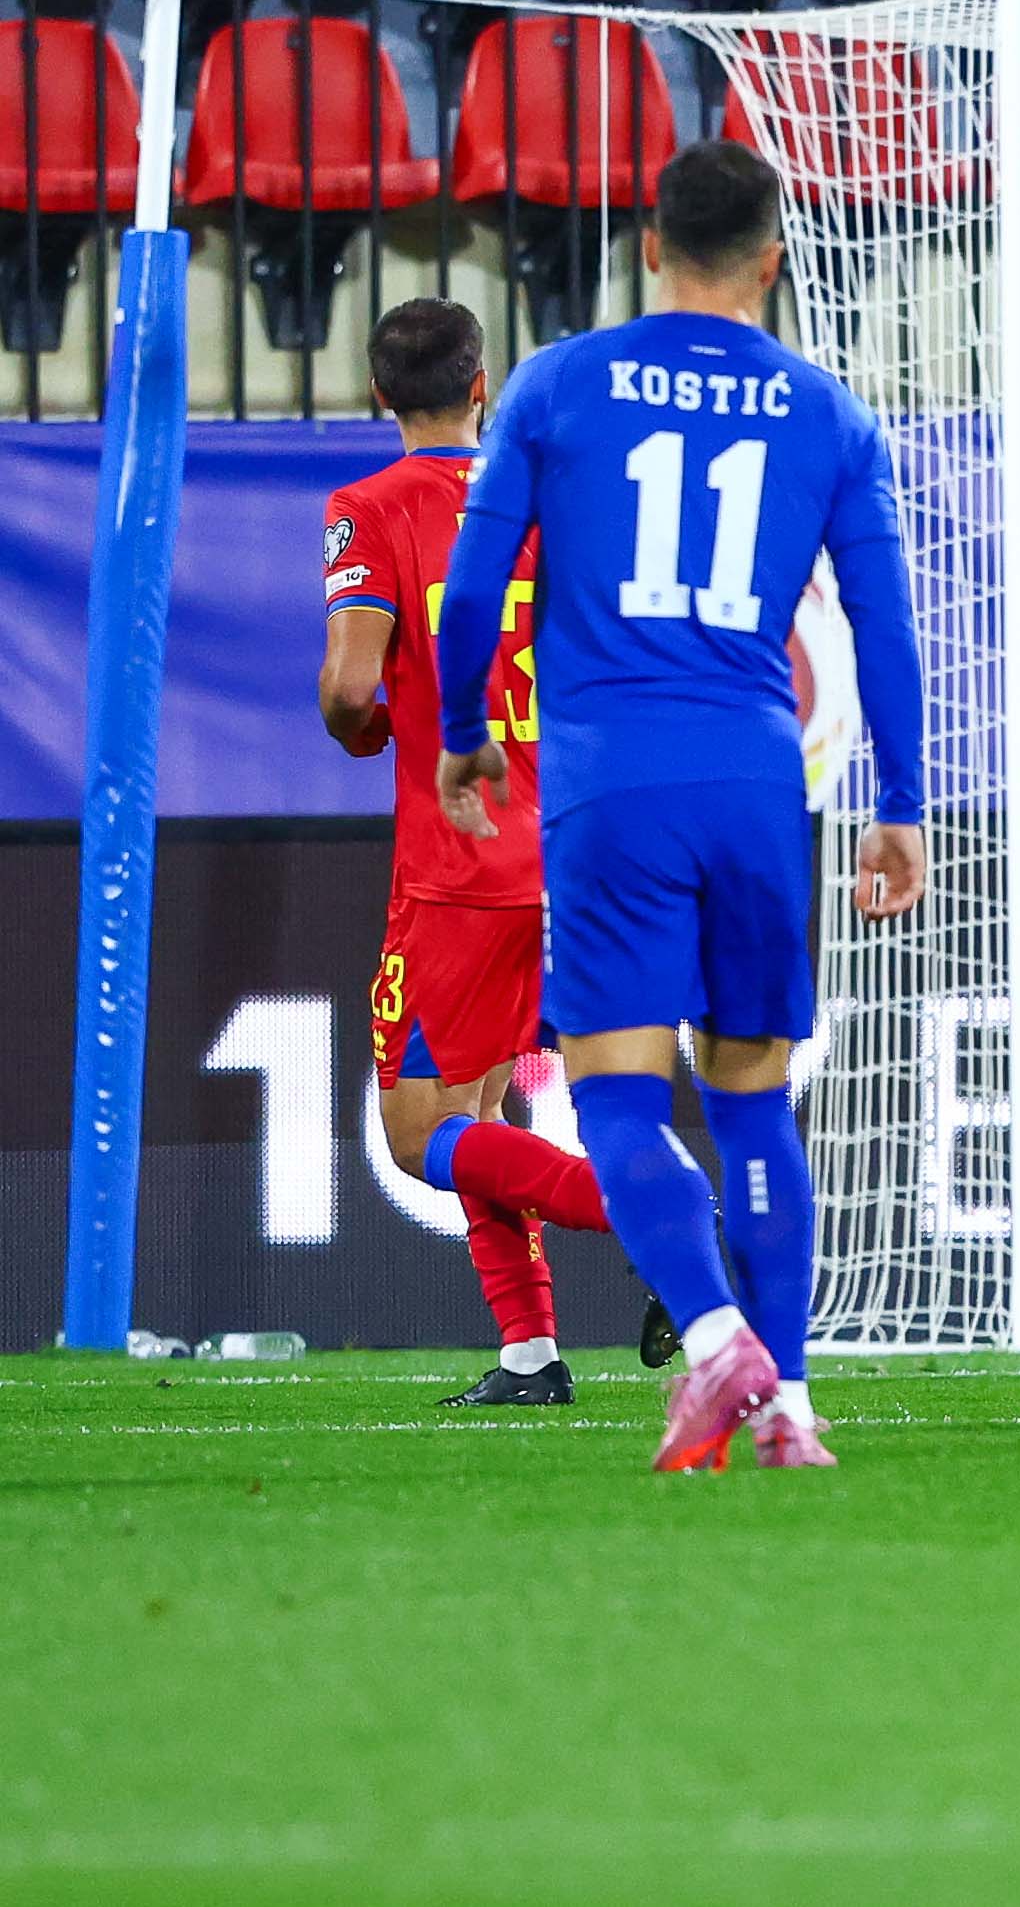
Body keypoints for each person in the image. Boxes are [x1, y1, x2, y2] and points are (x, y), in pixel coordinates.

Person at [435, 143, 929, 1472]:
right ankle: (795, 1408)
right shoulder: (826, 413)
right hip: (760, 786)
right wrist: (903, 799)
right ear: (773, 263)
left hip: (612, 786)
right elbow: (880, 622)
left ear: (648, 246)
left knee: (616, 1101)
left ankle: (718, 1347)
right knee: (757, 1097)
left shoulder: (552, 386)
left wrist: (463, 734)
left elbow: (477, 590)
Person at [320, 297, 640, 1405]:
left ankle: (642, 1206)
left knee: (421, 1133)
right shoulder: (549, 503)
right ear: (480, 383)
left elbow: (353, 689)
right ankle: (530, 1354)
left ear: (377, 394)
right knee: (489, 1105)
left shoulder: (371, 508)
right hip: (572, 844)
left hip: (459, 864)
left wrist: (365, 724)